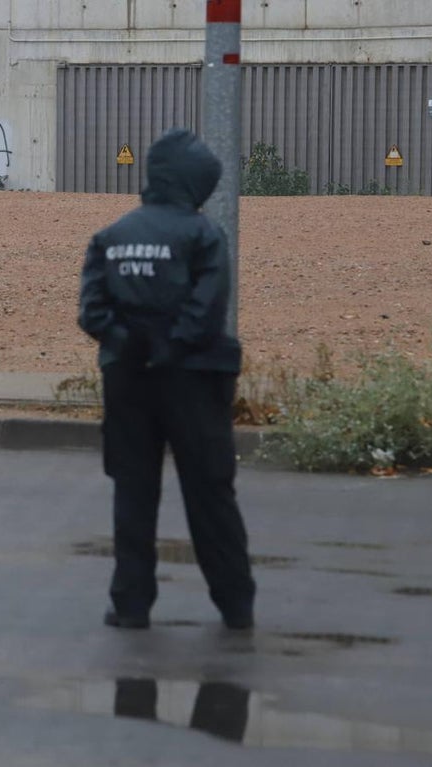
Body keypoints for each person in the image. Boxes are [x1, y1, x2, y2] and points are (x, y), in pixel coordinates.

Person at [77, 128, 255, 631]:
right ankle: (235, 605)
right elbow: (209, 306)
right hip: (193, 380)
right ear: (194, 185)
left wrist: (128, 341)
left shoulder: (110, 237)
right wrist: (171, 344)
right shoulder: (203, 235)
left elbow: (92, 311)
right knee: (210, 494)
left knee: (133, 493)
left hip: (126, 380)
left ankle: (131, 606)